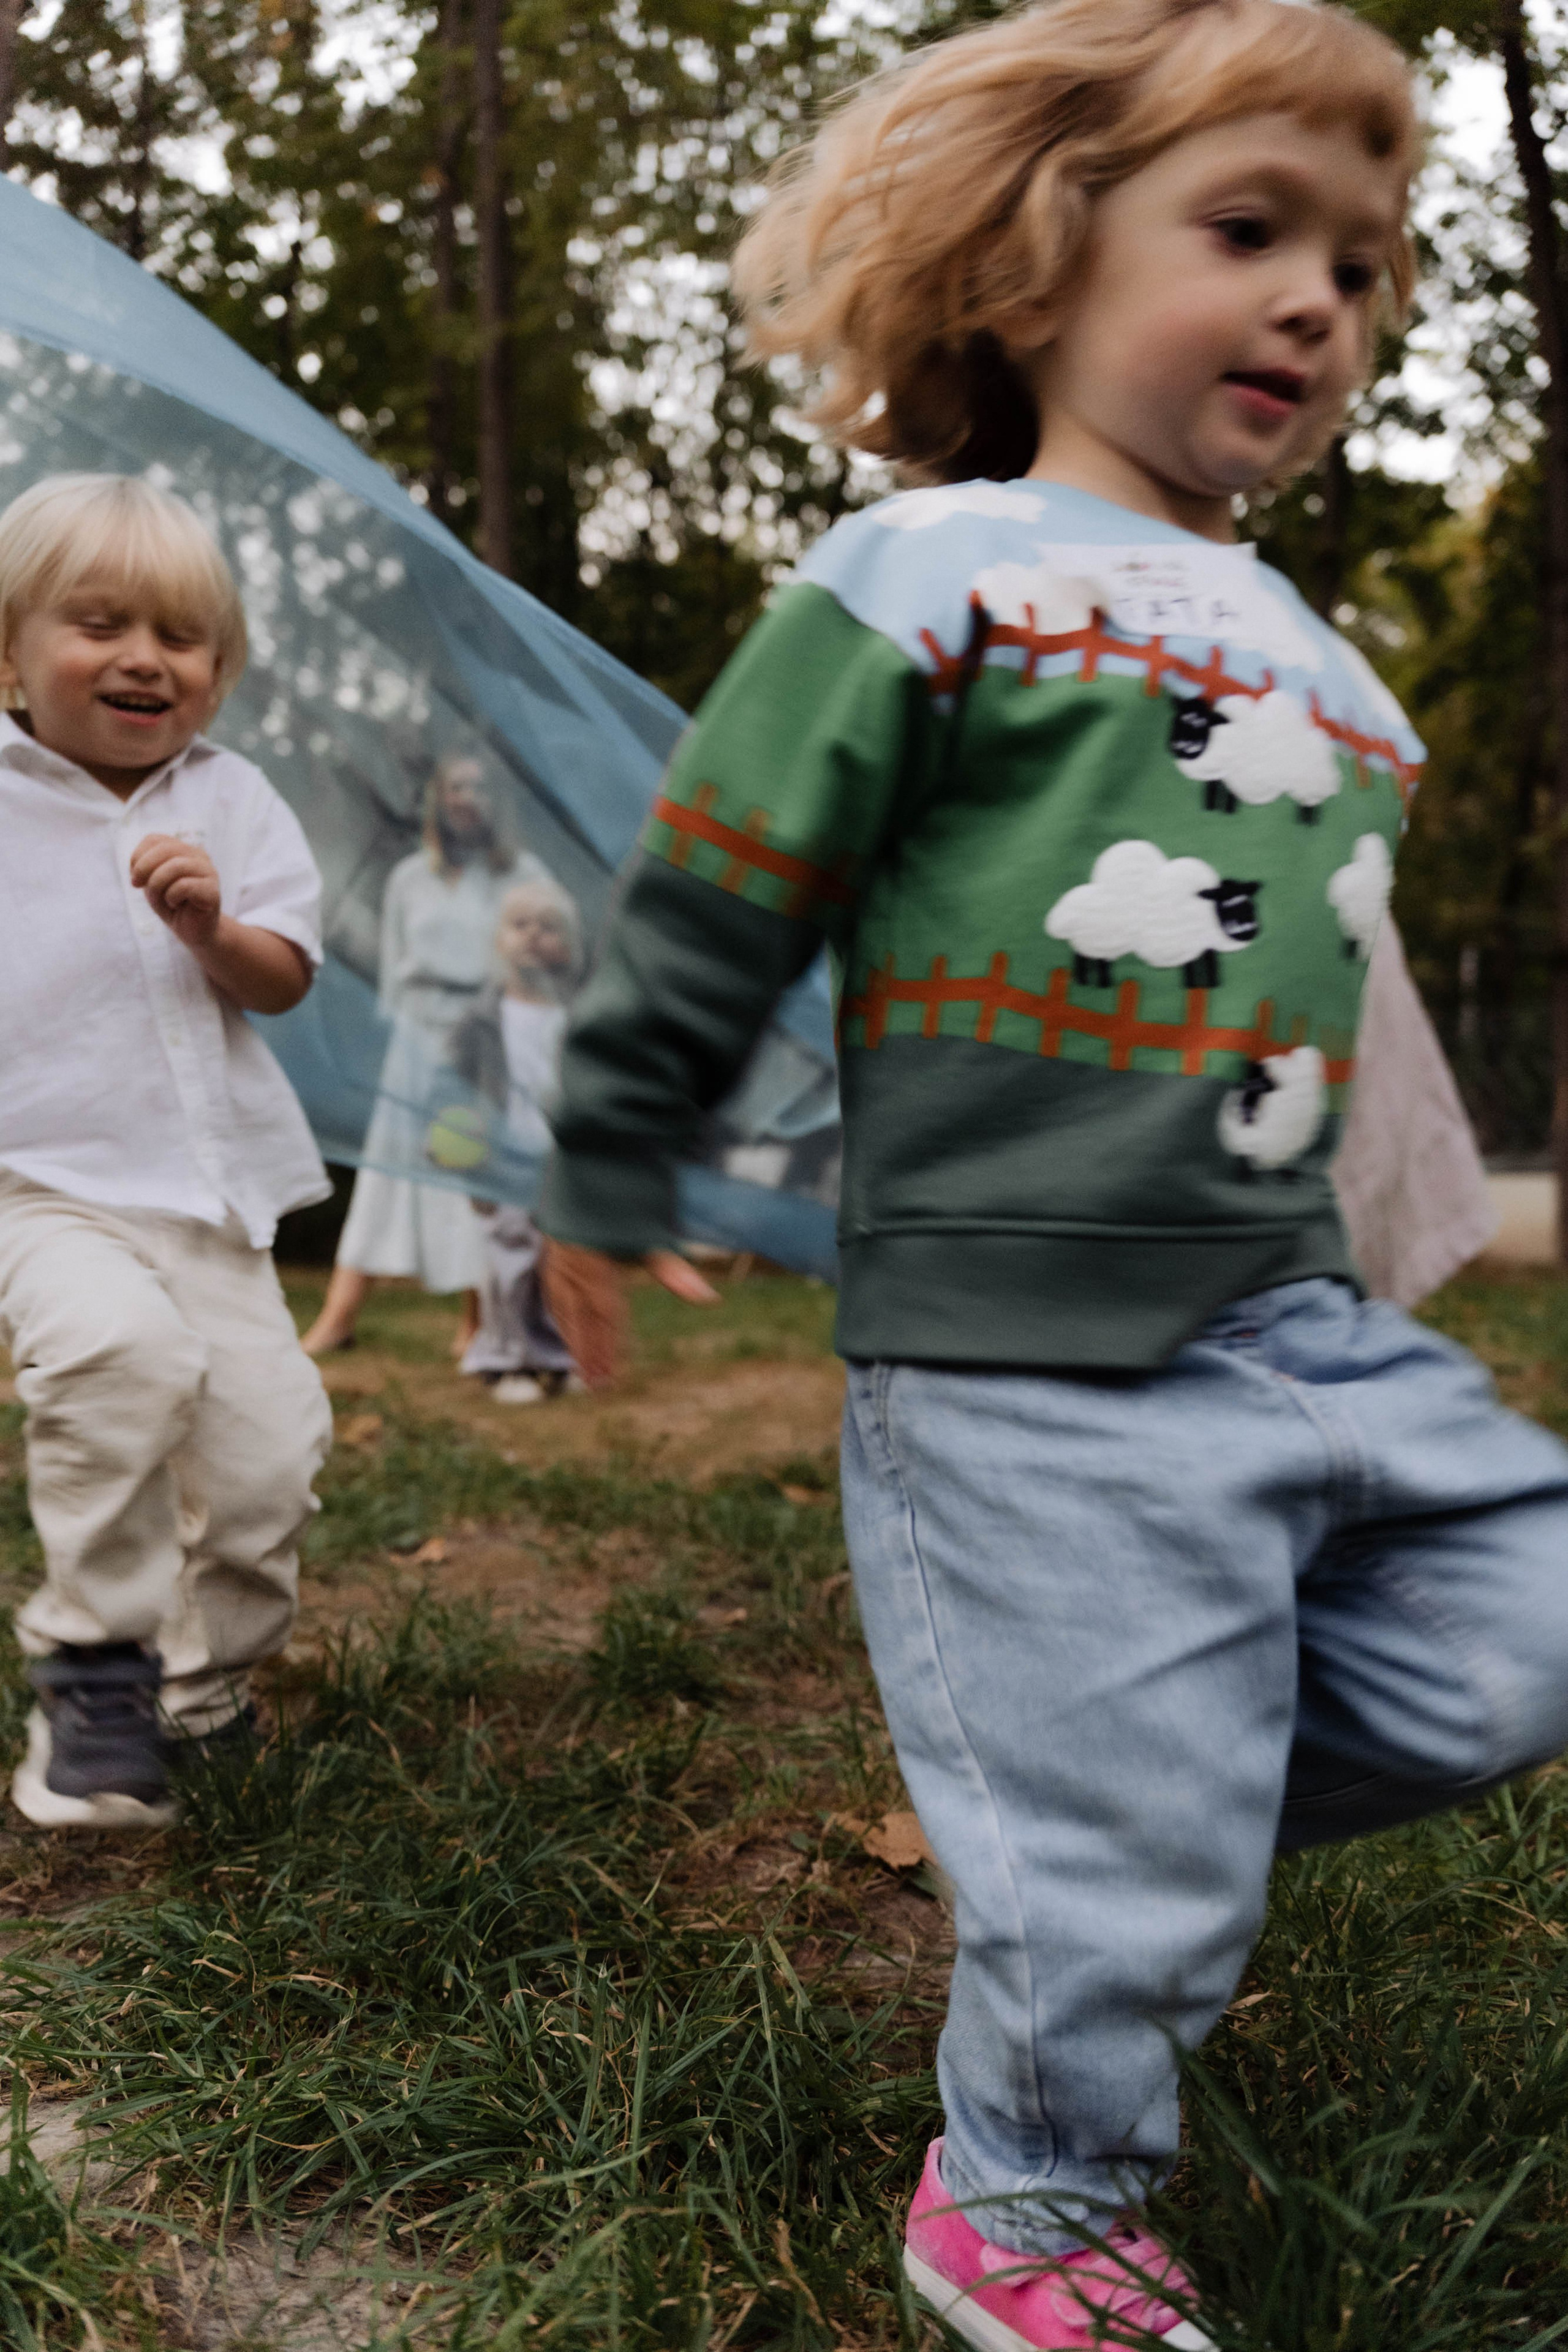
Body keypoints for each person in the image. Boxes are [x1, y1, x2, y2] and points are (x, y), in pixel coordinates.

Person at [535, 7, 1568, 2346]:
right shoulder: (931, 571)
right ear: (1036, 263)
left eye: (1361, 266)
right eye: (1248, 230)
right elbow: (720, 883)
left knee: (1530, 1622)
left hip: (1292, 1320)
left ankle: (1100, 1788)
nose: (1316, 300)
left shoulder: (1335, 673)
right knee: (1118, 1853)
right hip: (1021, 1350)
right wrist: (607, 1155)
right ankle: (1026, 2196)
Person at [0, 471, 334, 1830]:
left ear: (217, 672)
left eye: (181, 637)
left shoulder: (235, 799)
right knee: (115, 1359)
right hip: (42, 1183)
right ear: (10, 654)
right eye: (100, 624)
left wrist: (212, 929)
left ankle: (203, 1690)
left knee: (270, 1461)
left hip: (210, 1194)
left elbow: (284, 977)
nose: (145, 657)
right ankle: (96, 1672)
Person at [300, 756, 546, 1359]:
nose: (467, 798)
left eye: (479, 787)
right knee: (387, 1177)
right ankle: (338, 1317)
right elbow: (392, 970)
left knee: (474, 1172)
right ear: (439, 798)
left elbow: (546, 950)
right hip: (416, 1041)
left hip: (484, 1043)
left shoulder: (520, 874)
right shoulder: (411, 877)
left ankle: (479, 1321)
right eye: (456, 787)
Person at [447, 876, 584, 1403]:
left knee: (559, 1260)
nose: (533, 935)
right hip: (503, 1160)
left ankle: (555, 1355)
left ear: (568, 944)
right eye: (520, 924)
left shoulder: (576, 1016)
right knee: (510, 1258)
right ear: (498, 940)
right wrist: (465, 1161)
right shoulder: (480, 1019)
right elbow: (453, 1091)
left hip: (559, 1159)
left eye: (549, 927)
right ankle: (506, 1359)